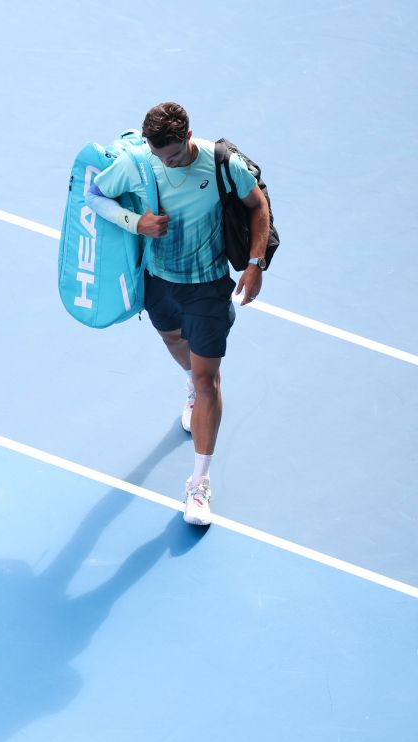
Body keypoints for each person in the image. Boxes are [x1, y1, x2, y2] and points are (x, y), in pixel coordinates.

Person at [84, 101, 270, 526]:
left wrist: (255, 263)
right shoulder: (139, 163)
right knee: (172, 339)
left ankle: (199, 483)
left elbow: (257, 206)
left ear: (188, 136)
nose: (165, 163)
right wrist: (135, 222)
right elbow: (94, 196)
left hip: (207, 287)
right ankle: (193, 384)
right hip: (159, 282)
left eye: (172, 155)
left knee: (209, 381)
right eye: (159, 155)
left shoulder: (222, 165)